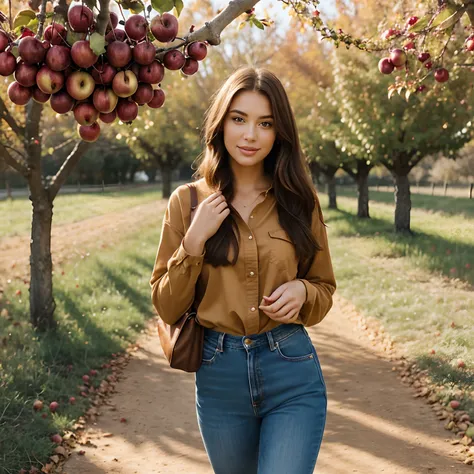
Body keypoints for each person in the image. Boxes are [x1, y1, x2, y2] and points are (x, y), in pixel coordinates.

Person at [150, 66, 337, 474]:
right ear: (221, 124)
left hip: (291, 368)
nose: (250, 135)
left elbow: (323, 290)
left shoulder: (300, 202)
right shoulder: (187, 202)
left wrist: (304, 292)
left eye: (265, 123)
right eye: (239, 119)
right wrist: (193, 242)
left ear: (279, 132)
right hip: (219, 377)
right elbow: (166, 307)